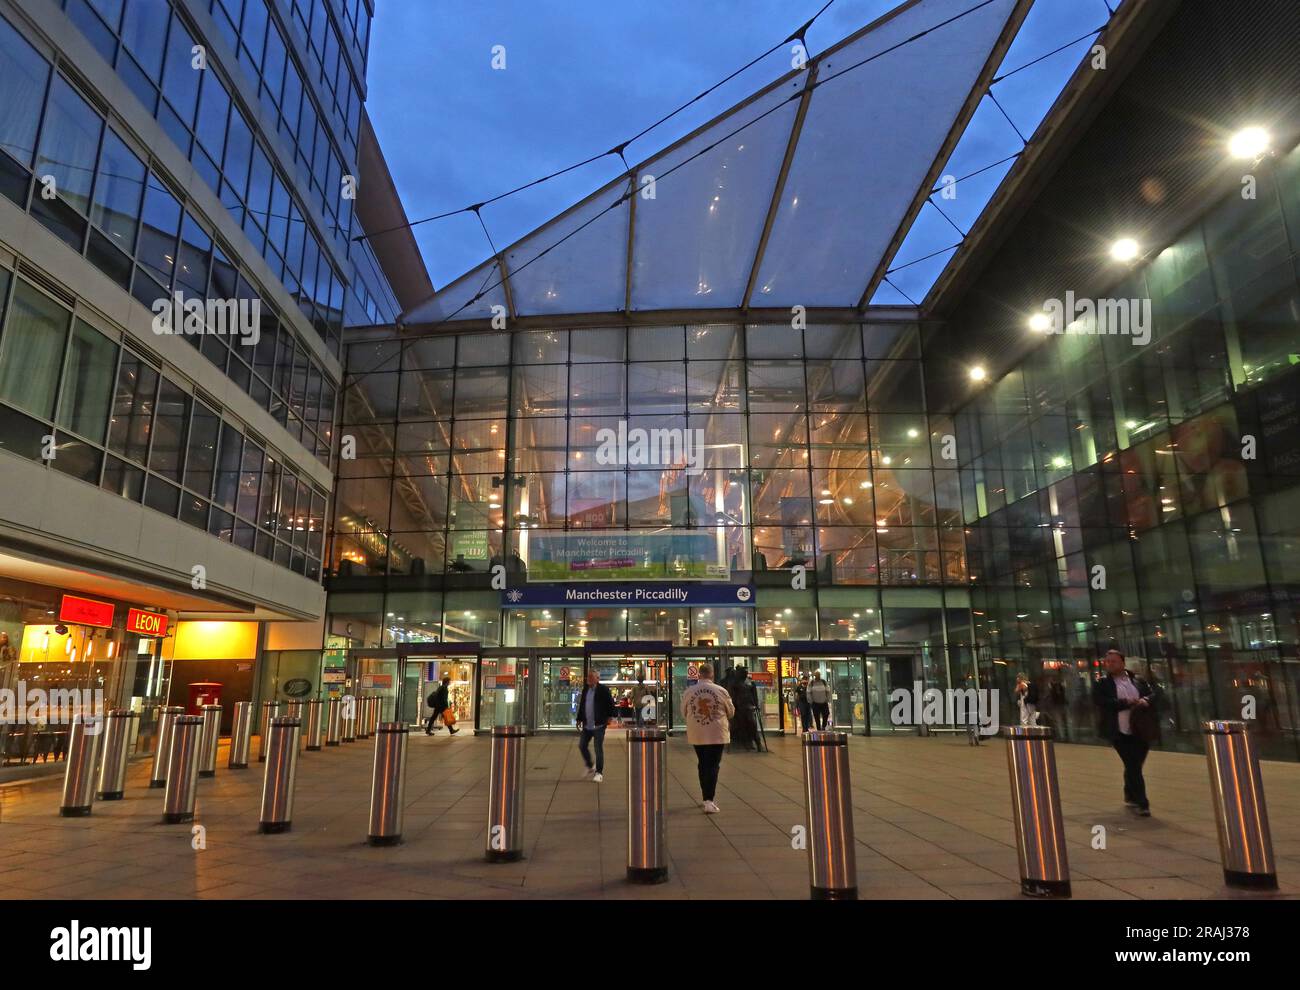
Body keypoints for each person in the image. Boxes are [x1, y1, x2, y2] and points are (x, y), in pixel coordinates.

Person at [1092, 649, 1156, 817]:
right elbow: (1101, 702)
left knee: (1135, 764)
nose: (1110, 664)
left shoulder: (1138, 680)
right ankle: (1142, 802)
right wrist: (1126, 702)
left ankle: (1129, 792)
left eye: (1113, 661)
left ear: (1122, 663)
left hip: (1140, 729)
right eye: (1108, 661)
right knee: (1133, 764)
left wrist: (1145, 700)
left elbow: (1154, 694)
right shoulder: (1102, 683)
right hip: (1119, 731)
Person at [681, 663, 735, 814]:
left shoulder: (689, 691)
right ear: (712, 674)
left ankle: (705, 797)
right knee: (713, 766)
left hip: (697, 733)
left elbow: (683, 711)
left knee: (702, 763)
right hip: (717, 733)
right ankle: (709, 800)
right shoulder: (721, 691)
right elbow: (731, 712)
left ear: (699, 674)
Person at [575, 669, 615, 782]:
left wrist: (610, 717)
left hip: (599, 725)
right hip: (587, 725)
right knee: (582, 745)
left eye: (591, 677)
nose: (589, 679)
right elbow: (582, 705)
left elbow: (610, 704)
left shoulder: (603, 690)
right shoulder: (586, 690)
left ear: (597, 679)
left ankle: (599, 773)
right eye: (588, 677)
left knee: (598, 749)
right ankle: (589, 765)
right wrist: (579, 719)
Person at [727, 667, 759, 751]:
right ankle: (746, 744)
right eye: (743, 672)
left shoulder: (750, 683)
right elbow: (731, 696)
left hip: (749, 708)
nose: (745, 674)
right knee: (742, 727)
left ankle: (757, 743)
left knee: (752, 726)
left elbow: (754, 696)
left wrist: (756, 705)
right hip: (739, 709)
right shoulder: (735, 683)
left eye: (746, 672)